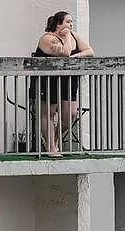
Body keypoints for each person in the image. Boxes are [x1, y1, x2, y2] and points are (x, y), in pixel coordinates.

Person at [30, 11, 94, 156]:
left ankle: (55, 140)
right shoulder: (48, 38)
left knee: (71, 115)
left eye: (72, 22)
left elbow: (90, 51)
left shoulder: (74, 36)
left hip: (68, 80)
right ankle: (51, 147)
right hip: (48, 80)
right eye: (67, 22)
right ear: (59, 23)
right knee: (49, 113)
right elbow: (65, 54)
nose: (71, 25)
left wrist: (77, 56)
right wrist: (64, 37)